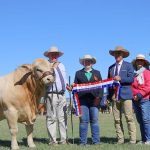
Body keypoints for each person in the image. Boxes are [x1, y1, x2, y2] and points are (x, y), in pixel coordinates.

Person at [107, 46, 136, 144]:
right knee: (117, 119)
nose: (117, 55)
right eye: (115, 53)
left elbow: (131, 79)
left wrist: (121, 79)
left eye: (119, 53)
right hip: (115, 96)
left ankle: (132, 140)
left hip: (126, 95)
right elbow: (109, 84)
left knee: (129, 118)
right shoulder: (110, 68)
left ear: (123, 54)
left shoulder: (128, 66)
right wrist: (108, 97)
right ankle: (120, 139)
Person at [73, 54, 103, 145]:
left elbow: (101, 87)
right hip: (82, 100)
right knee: (83, 121)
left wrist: (99, 98)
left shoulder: (97, 73)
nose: (87, 62)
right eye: (85, 61)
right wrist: (72, 87)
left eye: (89, 61)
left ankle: (96, 142)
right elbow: (75, 86)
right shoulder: (78, 73)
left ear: (92, 62)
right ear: (83, 63)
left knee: (94, 121)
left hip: (95, 100)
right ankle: (82, 142)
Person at [43, 46, 68, 145]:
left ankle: (63, 140)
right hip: (51, 94)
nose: (54, 56)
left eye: (56, 54)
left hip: (62, 94)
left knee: (62, 118)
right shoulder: (45, 65)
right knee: (51, 117)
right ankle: (53, 141)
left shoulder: (62, 65)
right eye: (52, 54)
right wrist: (52, 68)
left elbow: (64, 78)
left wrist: (68, 86)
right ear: (48, 55)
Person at [131, 54, 150, 144]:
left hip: (145, 99)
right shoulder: (134, 74)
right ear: (136, 62)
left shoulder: (147, 72)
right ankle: (143, 139)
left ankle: (148, 139)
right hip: (135, 100)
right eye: (138, 60)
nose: (139, 62)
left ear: (144, 62)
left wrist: (139, 95)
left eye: (141, 61)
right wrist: (134, 96)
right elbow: (132, 87)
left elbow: (148, 86)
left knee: (146, 119)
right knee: (140, 120)